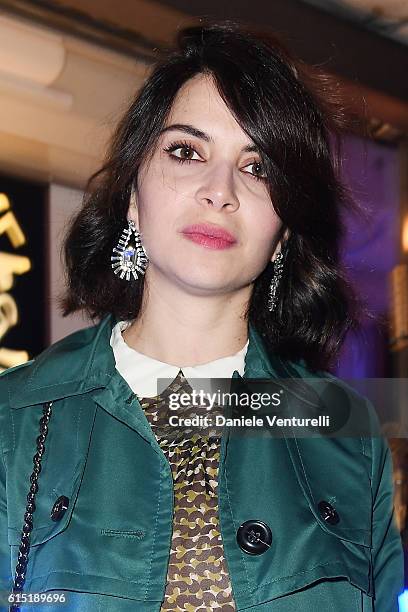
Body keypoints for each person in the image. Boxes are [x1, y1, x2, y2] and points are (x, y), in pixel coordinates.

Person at [0, 20, 404, 612]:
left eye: (257, 165)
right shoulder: (14, 419)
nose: (221, 190)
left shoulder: (347, 432)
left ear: (284, 228)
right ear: (134, 196)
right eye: (186, 151)